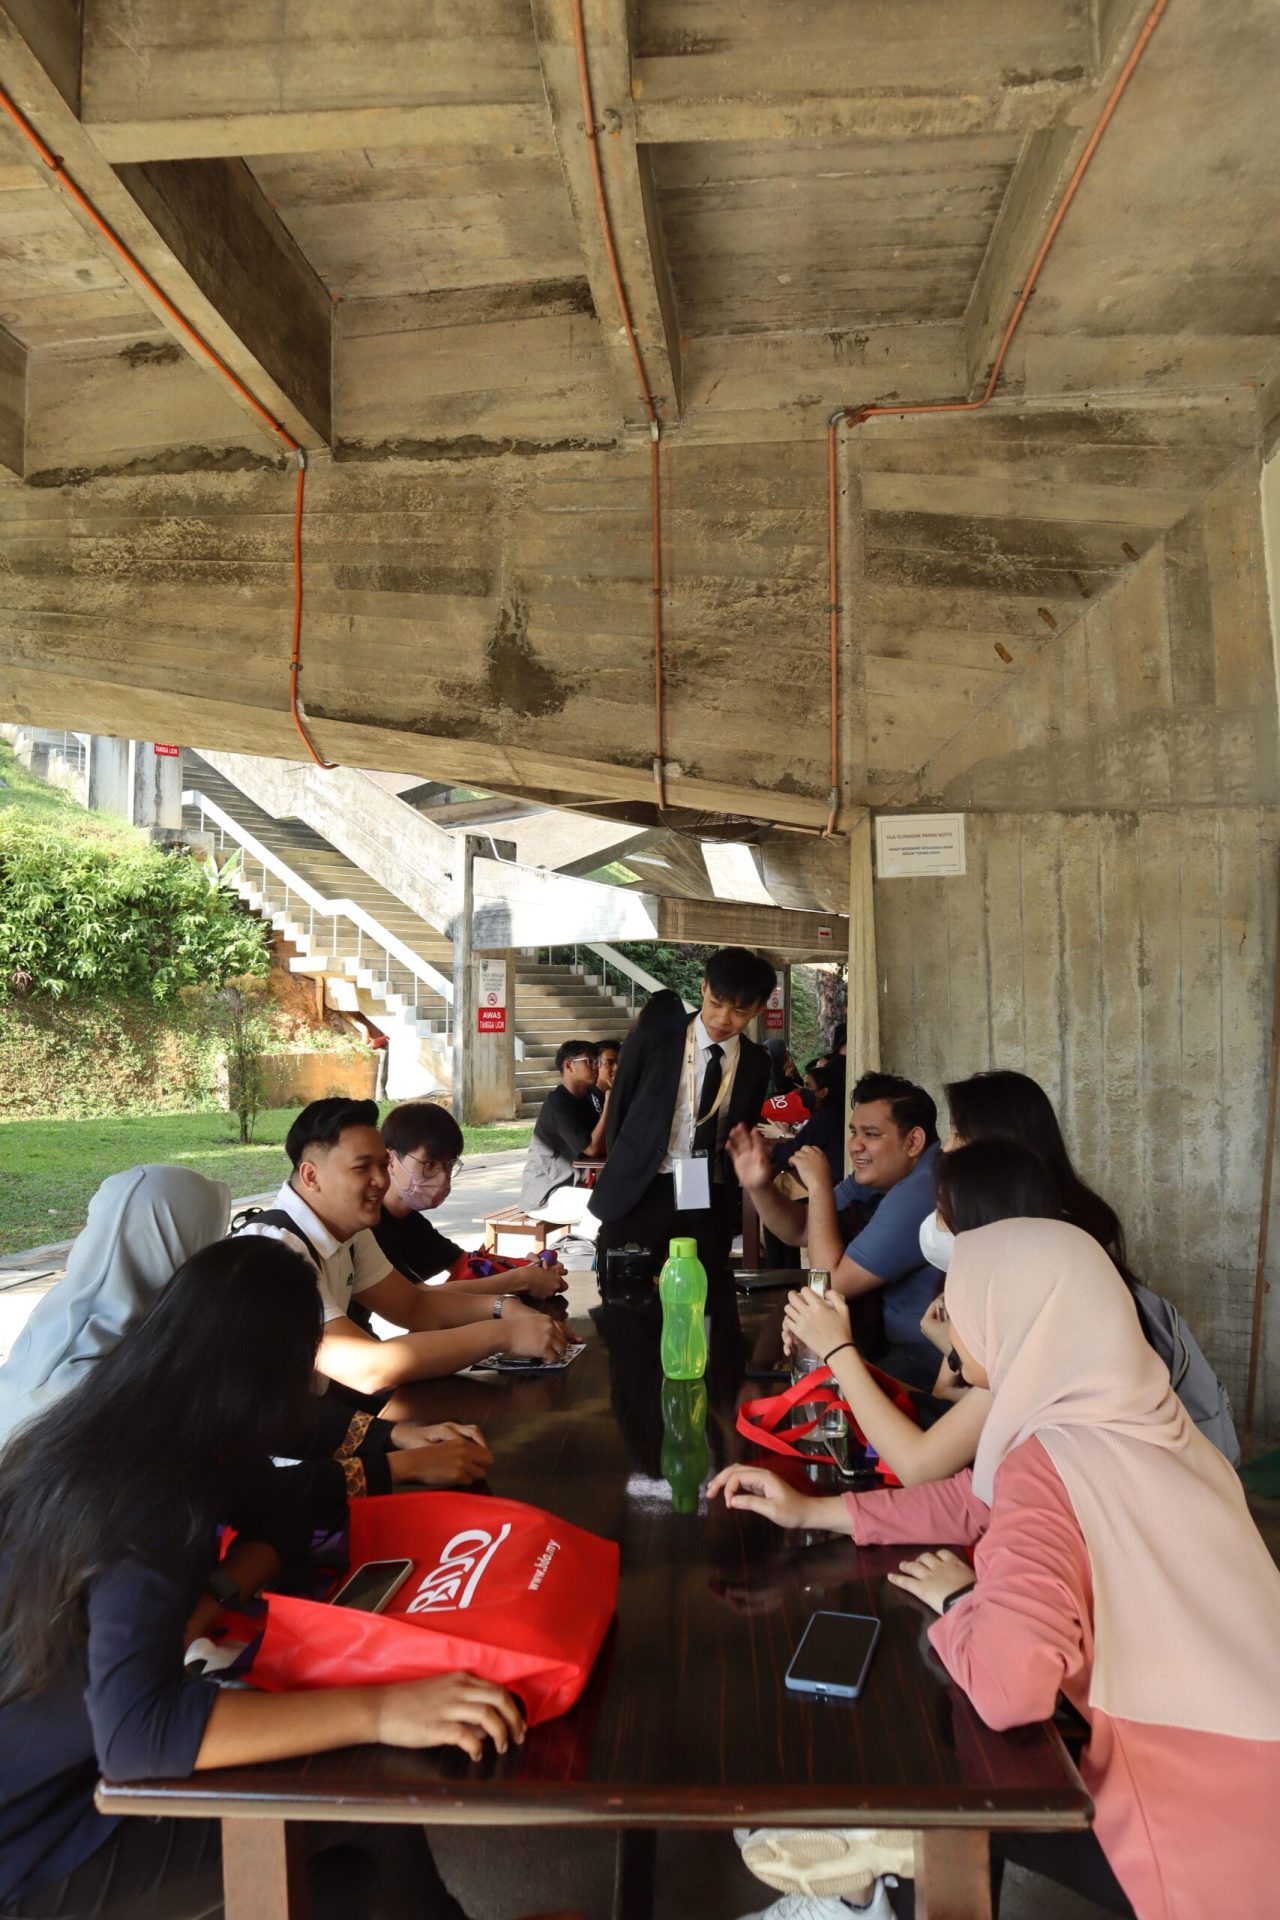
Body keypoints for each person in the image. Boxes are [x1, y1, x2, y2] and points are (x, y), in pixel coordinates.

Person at [714, 1215, 1280, 1920]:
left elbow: (1012, 1688)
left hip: (1193, 1839)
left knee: (930, 1744)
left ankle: (856, 1882)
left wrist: (962, 1606)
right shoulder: (1152, 1424)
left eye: (967, 1303)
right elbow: (976, 1500)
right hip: (1257, 1795)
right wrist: (817, 1512)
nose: (953, 1323)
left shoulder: (1046, 1462)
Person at [0, 1233, 523, 1920]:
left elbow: (283, 1511)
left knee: (344, 1821)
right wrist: (386, 1708)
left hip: (63, 1760)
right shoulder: (146, 1498)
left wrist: (211, 1597)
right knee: (358, 1799)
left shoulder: (139, 1417)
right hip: (38, 1837)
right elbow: (139, 1738)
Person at [0, 1164, 491, 1503]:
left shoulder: (129, 1328)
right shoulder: (78, 1389)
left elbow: (248, 1414)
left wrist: (398, 1436)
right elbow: (233, 1490)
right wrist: (399, 1466)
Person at [237, 1099, 568, 1417]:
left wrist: (504, 1307)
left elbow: (415, 1307)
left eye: (382, 1165)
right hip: (267, 1457)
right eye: (361, 1167)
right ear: (311, 1176)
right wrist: (505, 1334)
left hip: (319, 1424)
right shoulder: (273, 1251)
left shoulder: (353, 1233)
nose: (381, 1180)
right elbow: (368, 1368)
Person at [729, 1072, 943, 1387]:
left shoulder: (920, 1192)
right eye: (854, 1131)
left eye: (871, 1134)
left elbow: (829, 1278)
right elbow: (804, 1229)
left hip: (924, 1365)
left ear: (913, 1141)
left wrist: (818, 1188)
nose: (855, 1145)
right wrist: (760, 1186)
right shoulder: (887, 1174)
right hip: (889, 1344)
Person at [588, 948, 776, 1290]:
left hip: (709, 1192)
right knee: (623, 1293)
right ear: (703, 988)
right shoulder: (657, 1038)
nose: (722, 1020)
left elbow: (741, 1128)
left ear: (758, 1009)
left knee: (703, 1297)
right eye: (716, 1003)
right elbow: (622, 1104)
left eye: (739, 1012)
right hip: (644, 1184)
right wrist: (629, 1162)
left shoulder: (756, 1062)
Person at [375, 1101, 566, 1301]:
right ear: (390, 1160)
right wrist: (521, 1279)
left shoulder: (409, 1221)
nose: (442, 1179)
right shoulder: (369, 1227)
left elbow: (466, 1264)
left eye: (448, 1166)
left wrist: (527, 1267)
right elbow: (416, 1299)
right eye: (429, 1164)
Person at [519, 1041, 608, 1223]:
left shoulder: (586, 1099)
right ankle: (584, 1248)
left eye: (597, 1062)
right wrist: (609, 1107)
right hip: (546, 1194)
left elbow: (602, 1143)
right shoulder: (558, 1103)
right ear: (568, 1065)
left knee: (621, 1200)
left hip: (573, 1187)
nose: (596, 1067)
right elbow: (590, 1149)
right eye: (589, 1061)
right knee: (602, 1206)